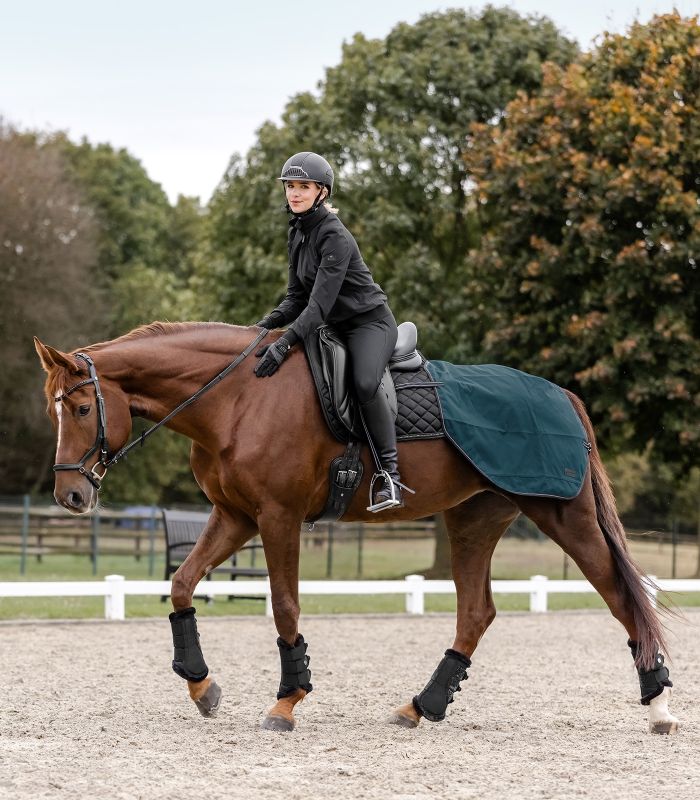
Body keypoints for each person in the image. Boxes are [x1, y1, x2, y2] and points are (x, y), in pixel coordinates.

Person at [254, 151, 404, 510]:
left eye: (303, 186)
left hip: (369, 324)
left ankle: (390, 476)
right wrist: (259, 330)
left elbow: (317, 307)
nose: (295, 193)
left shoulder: (334, 236)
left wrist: (286, 343)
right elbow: (295, 299)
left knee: (365, 382)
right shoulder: (297, 232)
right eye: (290, 186)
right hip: (333, 328)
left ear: (322, 192)